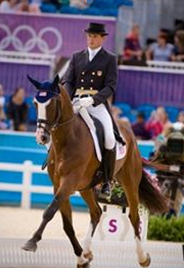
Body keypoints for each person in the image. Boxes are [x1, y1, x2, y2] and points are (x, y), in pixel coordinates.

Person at [63, 22, 117, 198]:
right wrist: (69, 99)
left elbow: (110, 86)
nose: (91, 39)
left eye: (95, 36)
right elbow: (68, 81)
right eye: (89, 36)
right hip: (76, 101)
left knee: (109, 138)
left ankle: (108, 180)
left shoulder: (109, 58)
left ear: (102, 38)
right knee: (59, 126)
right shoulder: (77, 56)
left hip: (96, 104)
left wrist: (93, 99)